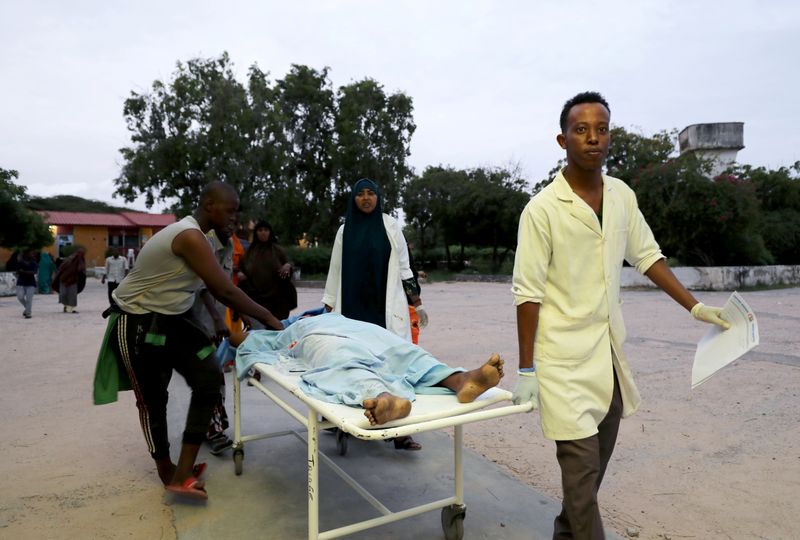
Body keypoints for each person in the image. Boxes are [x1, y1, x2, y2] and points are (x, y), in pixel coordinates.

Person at [511, 91, 731, 540]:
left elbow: (648, 256)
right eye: (581, 130)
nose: (593, 138)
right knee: (581, 476)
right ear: (562, 139)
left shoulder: (622, 198)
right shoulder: (542, 210)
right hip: (561, 365)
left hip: (607, 360)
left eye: (602, 129)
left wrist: (696, 308)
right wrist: (527, 367)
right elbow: (527, 292)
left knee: (586, 486)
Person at [93, 181, 284, 502]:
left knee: (209, 381)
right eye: (231, 210)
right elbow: (225, 289)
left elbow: (208, 288)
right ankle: (166, 469)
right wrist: (269, 318)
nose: (235, 218)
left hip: (173, 319)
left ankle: (184, 471)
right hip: (137, 320)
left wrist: (237, 319)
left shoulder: (208, 239)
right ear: (209, 205)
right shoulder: (189, 236)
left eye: (238, 212)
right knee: (154, 399)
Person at [232, 312, 504, 425]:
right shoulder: (289, 329)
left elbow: (241, 340)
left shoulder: (311, 321)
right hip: (336, 334)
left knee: (386, 352)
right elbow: (244, 340)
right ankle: (455, 380)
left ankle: (459, 381)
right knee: (378, 354)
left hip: (343, 331)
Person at [322, 178, 429, 450]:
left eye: (371, 193)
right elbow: (334, 272)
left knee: (392, 365)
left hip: (384, 307)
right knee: (351, 362)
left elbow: (405, 267)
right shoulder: (344, 231)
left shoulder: (391, 226)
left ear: (379, 197)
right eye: (361, 194)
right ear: (353, 199)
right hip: (353, 309)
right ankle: (343, 421)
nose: (366, 198)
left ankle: (399, 431)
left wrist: (416, 302)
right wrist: (328, 309)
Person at [189, 225, 235, 456]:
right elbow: (202, 286)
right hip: (195, 324)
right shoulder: (203, 242)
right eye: (229, 217)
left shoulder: (229, 244)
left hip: (215, 328)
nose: (233, 224)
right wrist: (217, 318)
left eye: (237, 219)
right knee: (209, 378)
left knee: (214, 378)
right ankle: (213, 431)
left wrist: (240, 312)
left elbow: (225, 286)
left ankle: (210, 427)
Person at [239, 220, 297, 323]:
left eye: (266, 230)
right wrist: (240, 273)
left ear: (270, 232)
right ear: (256, 233)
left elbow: (288, 263)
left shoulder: (277, 250)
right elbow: (242, 268)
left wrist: (288, 266)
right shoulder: (249, 252)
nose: (263, 233)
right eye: (260, 230)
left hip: (277, 300)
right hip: (256, 299)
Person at [53, 247, 86, 313]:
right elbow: (61, 268)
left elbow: (81, 270)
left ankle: (71, 308)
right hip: (63, 279)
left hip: (73, 280)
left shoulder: (81, 260)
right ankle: (66, 306)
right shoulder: (69, 259)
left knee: (72, 294)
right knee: (63, 294)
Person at [15, 249, 38, 319]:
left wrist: (23, 272)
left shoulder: (34, 263)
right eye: (31, 253)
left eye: (33, 254)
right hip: (21, 282)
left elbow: (34, 272)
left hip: (31, 283)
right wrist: (22, 272)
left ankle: (28, 313)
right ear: (26, 254)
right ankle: (27, 308)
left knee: (29, 299)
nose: (33, 255)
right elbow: (17, 272)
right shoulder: (20, 263)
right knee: (20, 297)